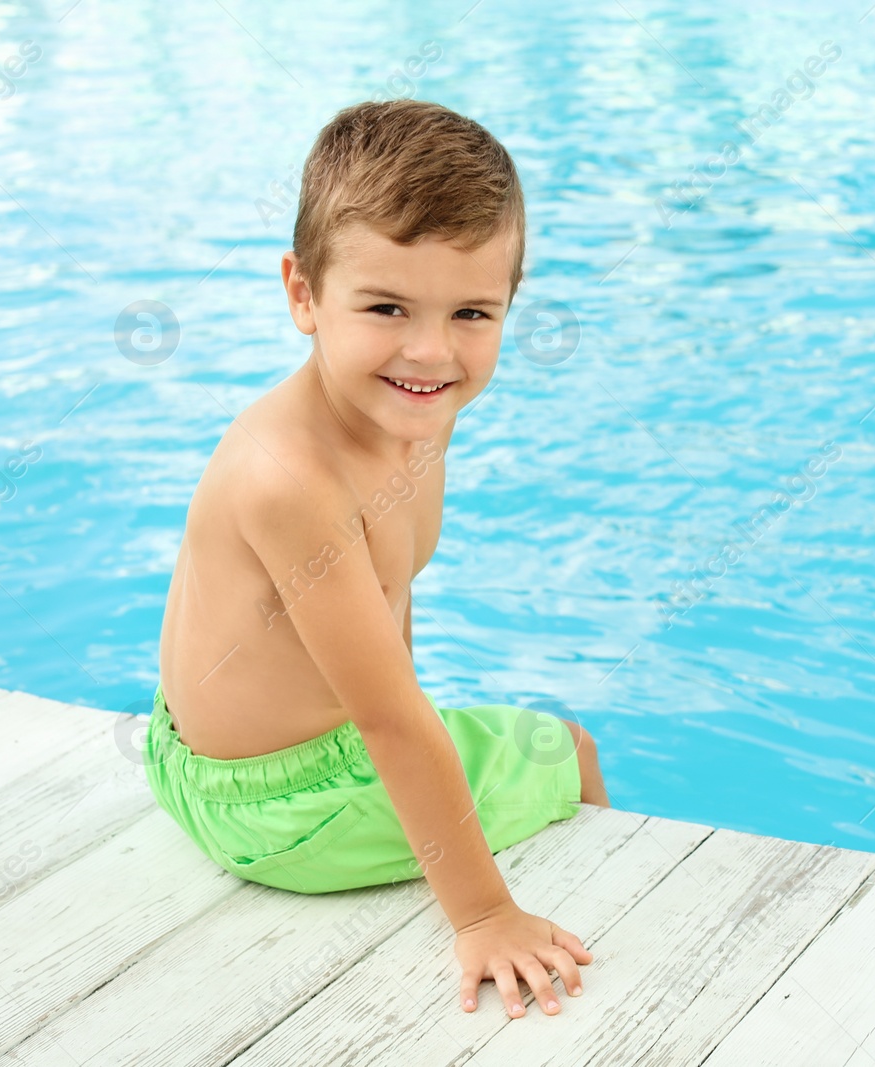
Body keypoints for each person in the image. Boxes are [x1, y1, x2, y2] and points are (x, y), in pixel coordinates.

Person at [144, 98, 610, 1023]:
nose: (432, 350)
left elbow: (384, 630)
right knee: (573, 749)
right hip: (279, 810)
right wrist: (482, 911)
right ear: (303, 294)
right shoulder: (290, 477)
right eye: (387, 306)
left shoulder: (409, 408)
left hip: (222, 756)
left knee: (454, 733)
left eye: (471, 311)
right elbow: (394, 721)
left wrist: (409, 726)